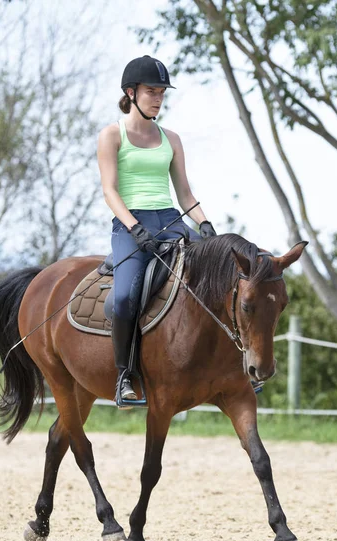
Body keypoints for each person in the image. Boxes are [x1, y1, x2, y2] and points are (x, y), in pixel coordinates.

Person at [97, 55, 216, 403]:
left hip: (171, 220)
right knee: (123, 298)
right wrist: (135, 229)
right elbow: (109, 191)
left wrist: (204, 223)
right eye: (152, 91)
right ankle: (124, 376)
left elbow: (185, 194)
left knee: (220, 276)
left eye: (162, 92)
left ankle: (228, 365)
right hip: (130, 225)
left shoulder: (172, 139)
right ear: (131, 92)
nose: (158, 99)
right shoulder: (111, 135)